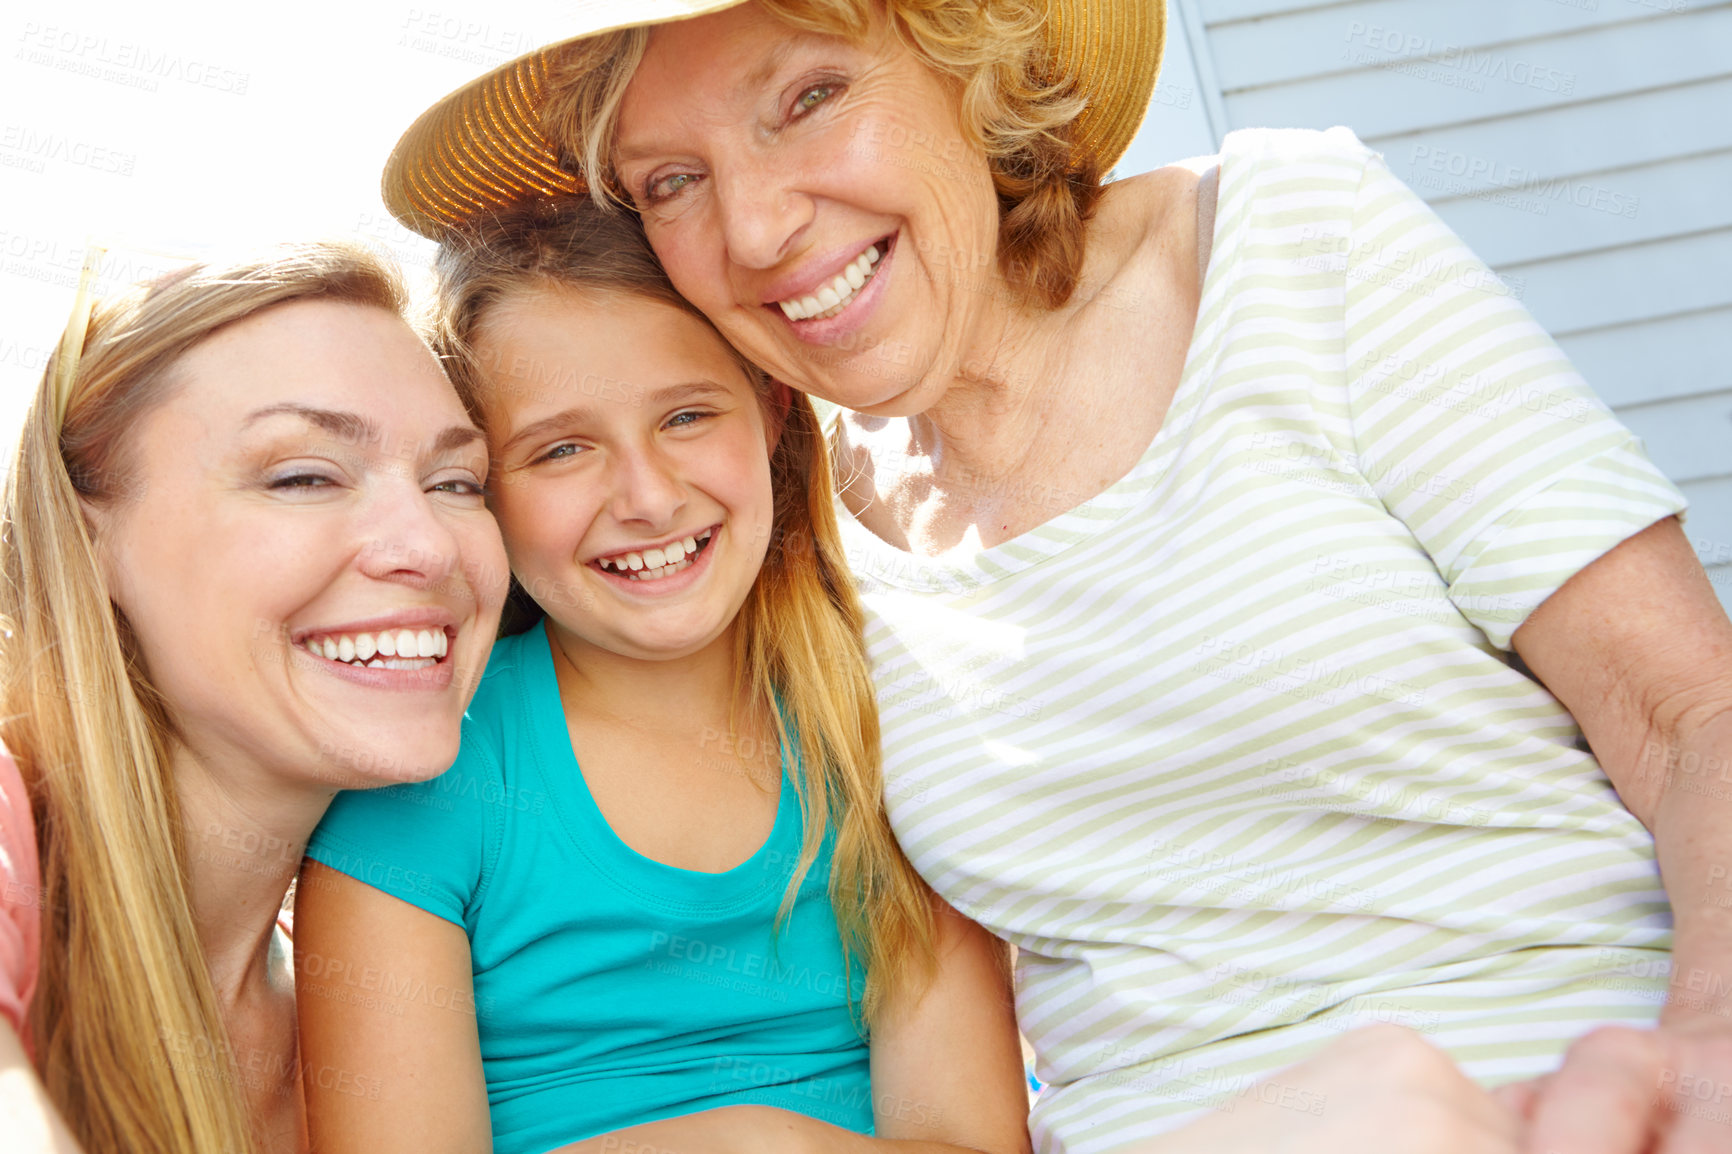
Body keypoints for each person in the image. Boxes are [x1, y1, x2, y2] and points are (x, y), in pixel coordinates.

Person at [375, 2, 1732, 1152]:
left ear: (970, 60)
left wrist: (1711, 1046)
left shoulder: (1289, 241)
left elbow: (1689, 720)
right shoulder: (776, 526)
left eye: (808, 97)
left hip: (1600, 1090)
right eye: (671, 180)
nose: (760, 221)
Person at [292, 199, 1033, 1154]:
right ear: (478, 488)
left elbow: (970, 1140)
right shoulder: (429, 775)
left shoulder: (883, 717)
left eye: (686, 415)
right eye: (561, 449)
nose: (645, 497)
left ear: (770, 411)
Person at [0, 243, 509, 1153]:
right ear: (87, 543)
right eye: (304, 476)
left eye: (457, 483)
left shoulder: (402, 1023)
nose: (428, 546)